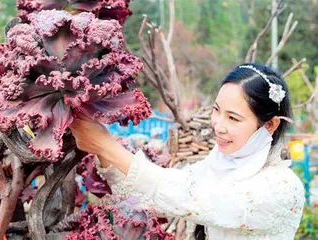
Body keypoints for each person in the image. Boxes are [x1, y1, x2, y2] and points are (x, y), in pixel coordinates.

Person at [70, 63, 305, 239]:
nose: (218, 125)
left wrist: (107, 147)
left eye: (233, 118)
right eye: (216, 110)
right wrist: (101, 146)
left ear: (270, 125)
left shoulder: (281, 186)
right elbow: (155, 197)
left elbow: (189, 198)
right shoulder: (218, 164)